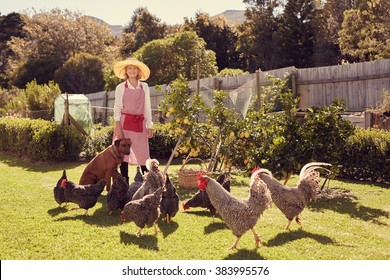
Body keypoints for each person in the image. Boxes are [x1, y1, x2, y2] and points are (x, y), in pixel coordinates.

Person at [112, 57, 153, 183]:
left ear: (138, 71)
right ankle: (124, 183)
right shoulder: (120, 87)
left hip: (140, 124)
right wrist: (118, 127)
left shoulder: (144, 86)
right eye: (129, 68)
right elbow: (117, 108)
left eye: (134, 68)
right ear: (126, 71)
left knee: (143, 154)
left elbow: (147, 107)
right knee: (124, 154)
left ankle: (148, 182)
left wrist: (149, 125)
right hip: (124, 124)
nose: (132, 70)